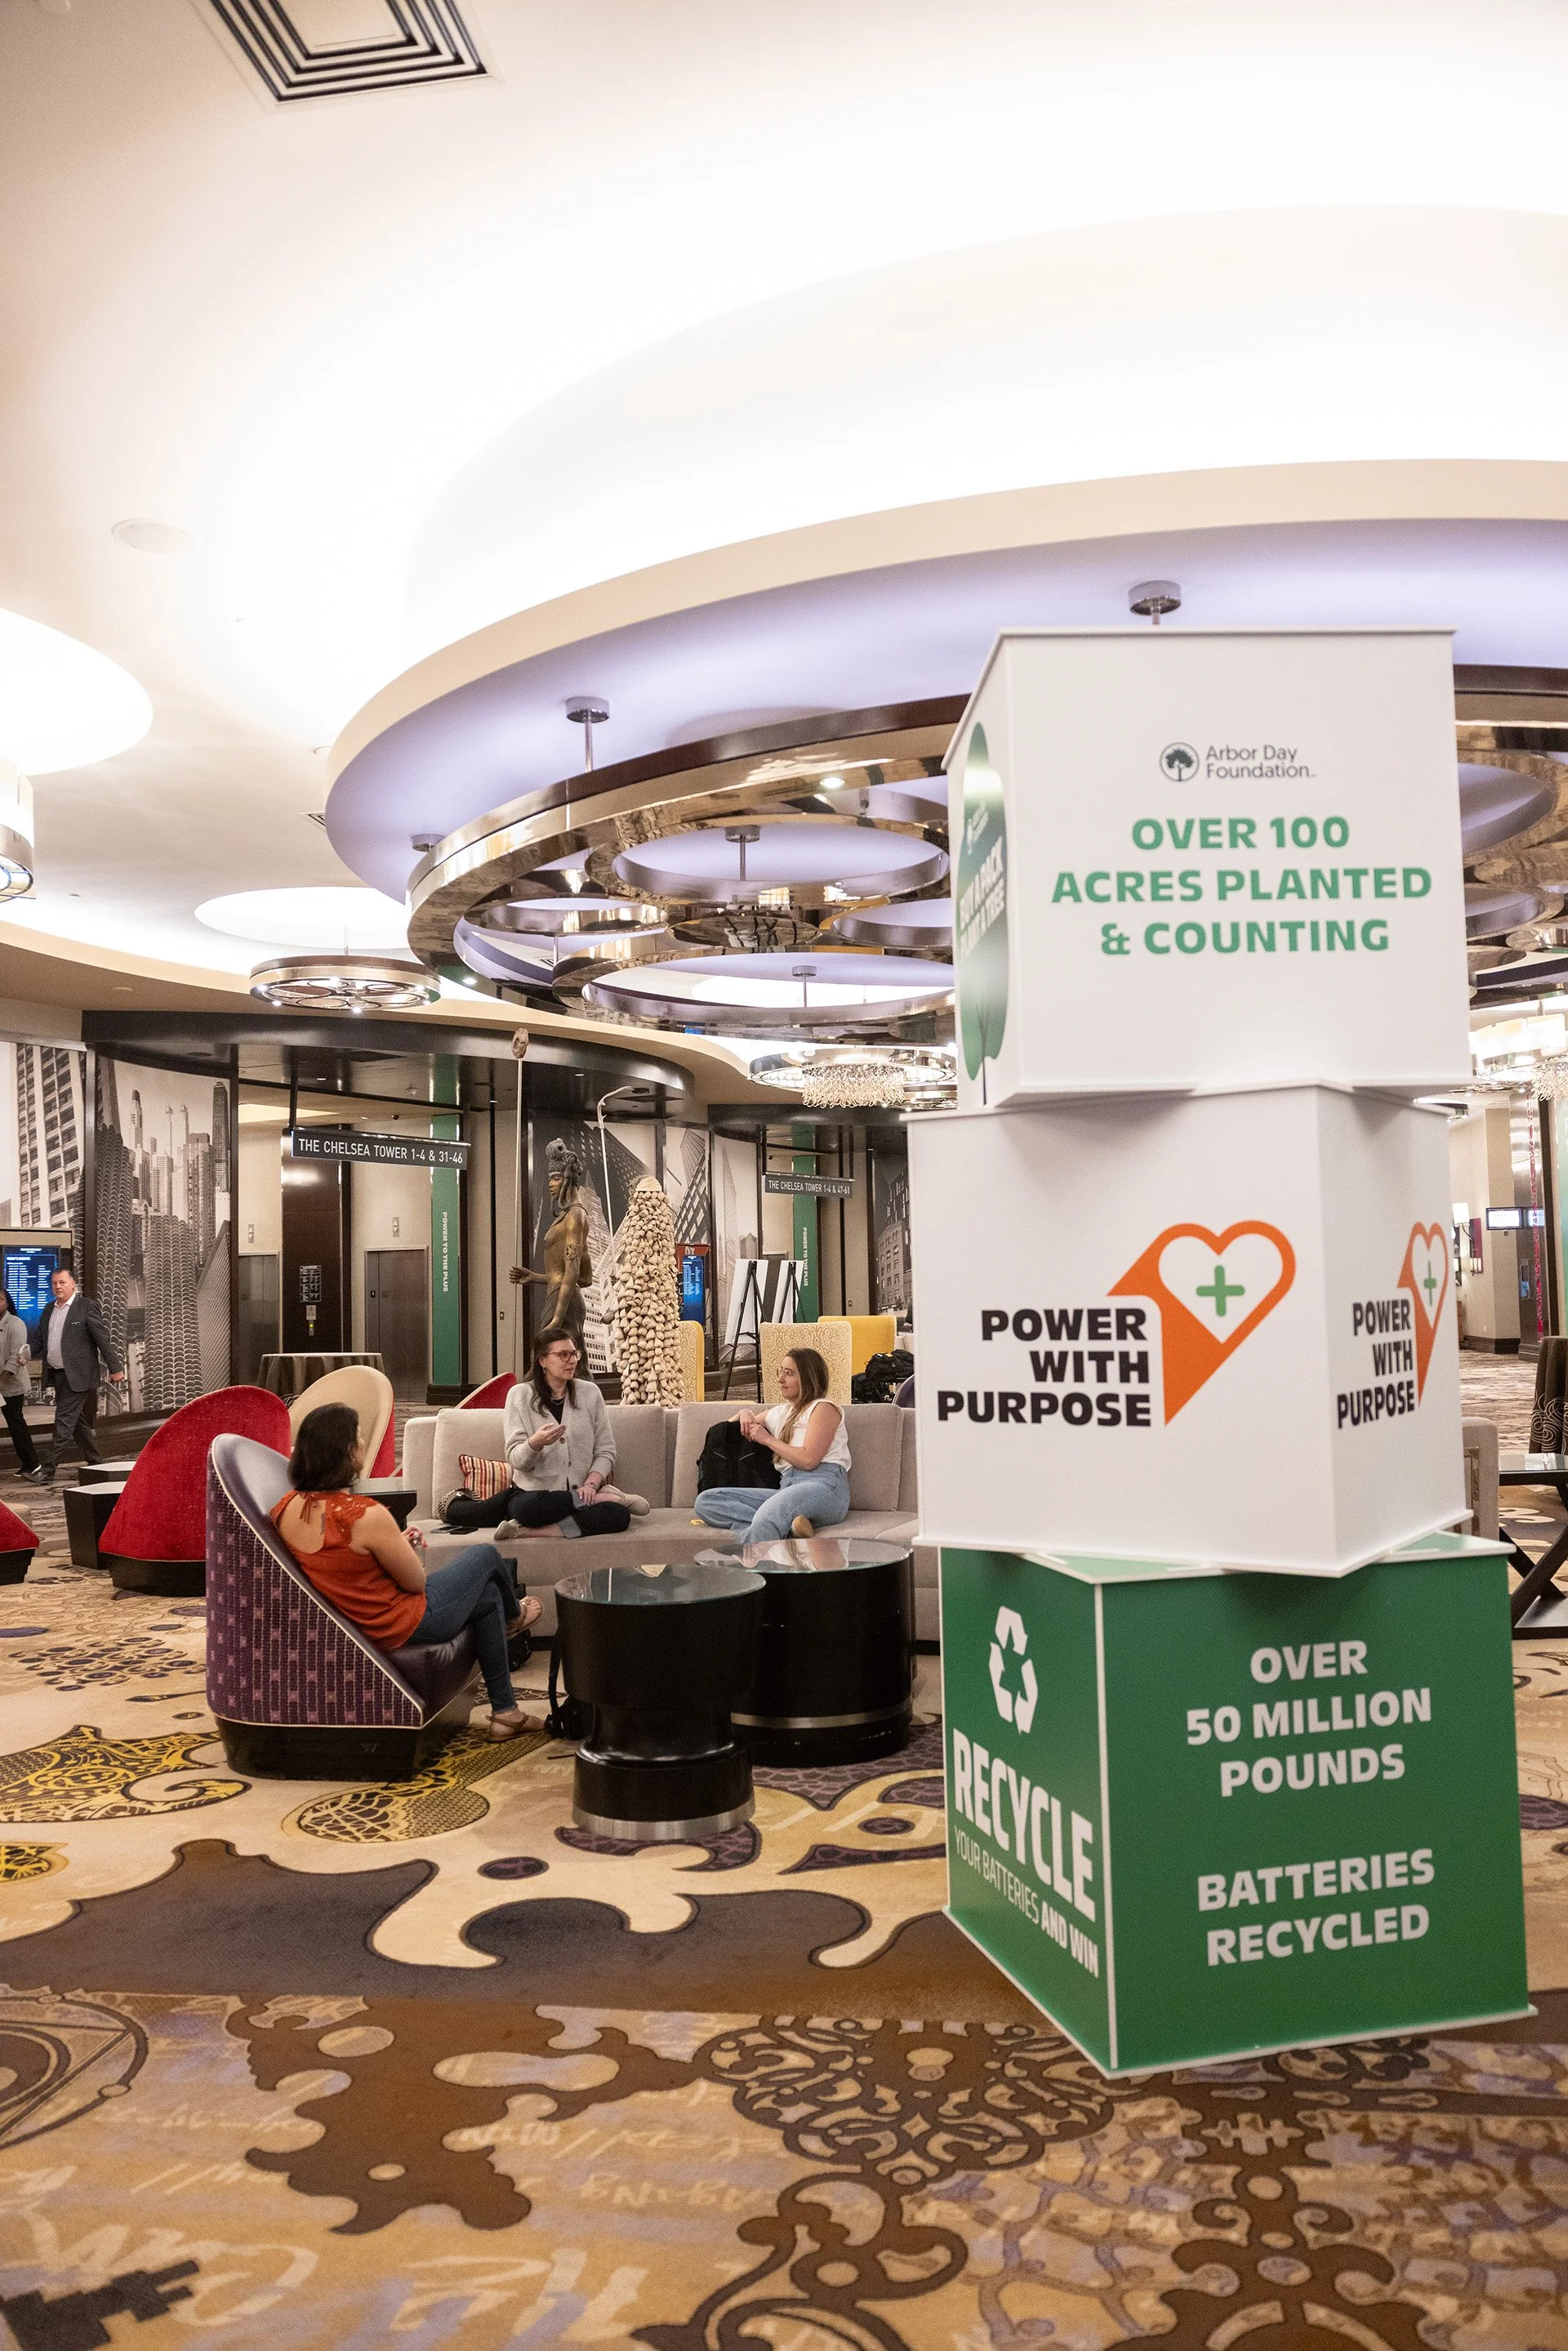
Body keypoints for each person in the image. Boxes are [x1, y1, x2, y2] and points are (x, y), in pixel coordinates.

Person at [272, 1402, 541, 1742]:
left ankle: (505, 1714)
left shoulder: (285, 1509)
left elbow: (341, 1561)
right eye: (358, 1440)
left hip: (358, 1621)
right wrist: (406, 1550)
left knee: (487, 1596)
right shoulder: (363, 1514)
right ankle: (515, 1617)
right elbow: (414, 1583)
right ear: (348, 1453)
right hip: (400, 1623)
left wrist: (391, 1544)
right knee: (486, 1555)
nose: (362, 1447)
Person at [444, 1325, 644, 1538]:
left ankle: (527, 1531)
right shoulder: (520, 1396)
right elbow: (516, 1461)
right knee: (527, 1509)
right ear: (542, 1360)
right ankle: (597, 1500)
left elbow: (606, 1451)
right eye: (563, 1355)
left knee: (619, 1516)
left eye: (574, 1354)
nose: (572, 1360)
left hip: (584, 1490)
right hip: (536, 1497)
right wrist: (535, 1444)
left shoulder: (590, 1393)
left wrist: (591, 1485)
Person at [693, 1345, 852, 1544]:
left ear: (808, 1378)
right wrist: (745, 1413)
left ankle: (746, 1568)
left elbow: (809, 1460)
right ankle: (791, 1526)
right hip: (786, 1487)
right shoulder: (779, 1413)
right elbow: (729, 1431)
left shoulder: (822, 1408)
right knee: (707, 1501)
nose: (780, 1379)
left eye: (789, 1373)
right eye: (781, 1371)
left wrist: (768, 1439)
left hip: (825, 1487)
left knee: (774, 1511)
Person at [32, 1267, 123, 1478]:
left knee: (64, 1420)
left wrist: (116, 1368)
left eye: (62, 1282)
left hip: (81, 1376)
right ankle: (96, 1461)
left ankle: (47, 1470)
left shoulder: (86, 1307)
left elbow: (102, 1339)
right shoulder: (48, 1310)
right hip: (59, 1375)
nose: (58, 1287)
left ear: (74, 1284)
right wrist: (24, 1354)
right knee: (77, 1422)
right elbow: (40, 1341)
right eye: (54, 1283)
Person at [0, 1290, 42, 1480]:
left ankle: (31, 1463)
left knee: (16, 1424)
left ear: (7, 1303)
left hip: (11, 1384)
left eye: (0, 1299)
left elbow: (16, 1357)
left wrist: (1, 1379)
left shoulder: (16, 1324)